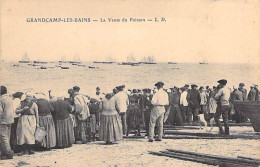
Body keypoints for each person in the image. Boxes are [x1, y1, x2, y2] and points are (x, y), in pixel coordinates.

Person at [0, 86, 15, 160]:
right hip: (10, 119)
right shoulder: (10, 98)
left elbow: (0, 112)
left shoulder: (1, 99)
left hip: (3, 121)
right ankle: (4, 153)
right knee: (7, 137)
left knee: (3, 137)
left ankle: (9, 153)